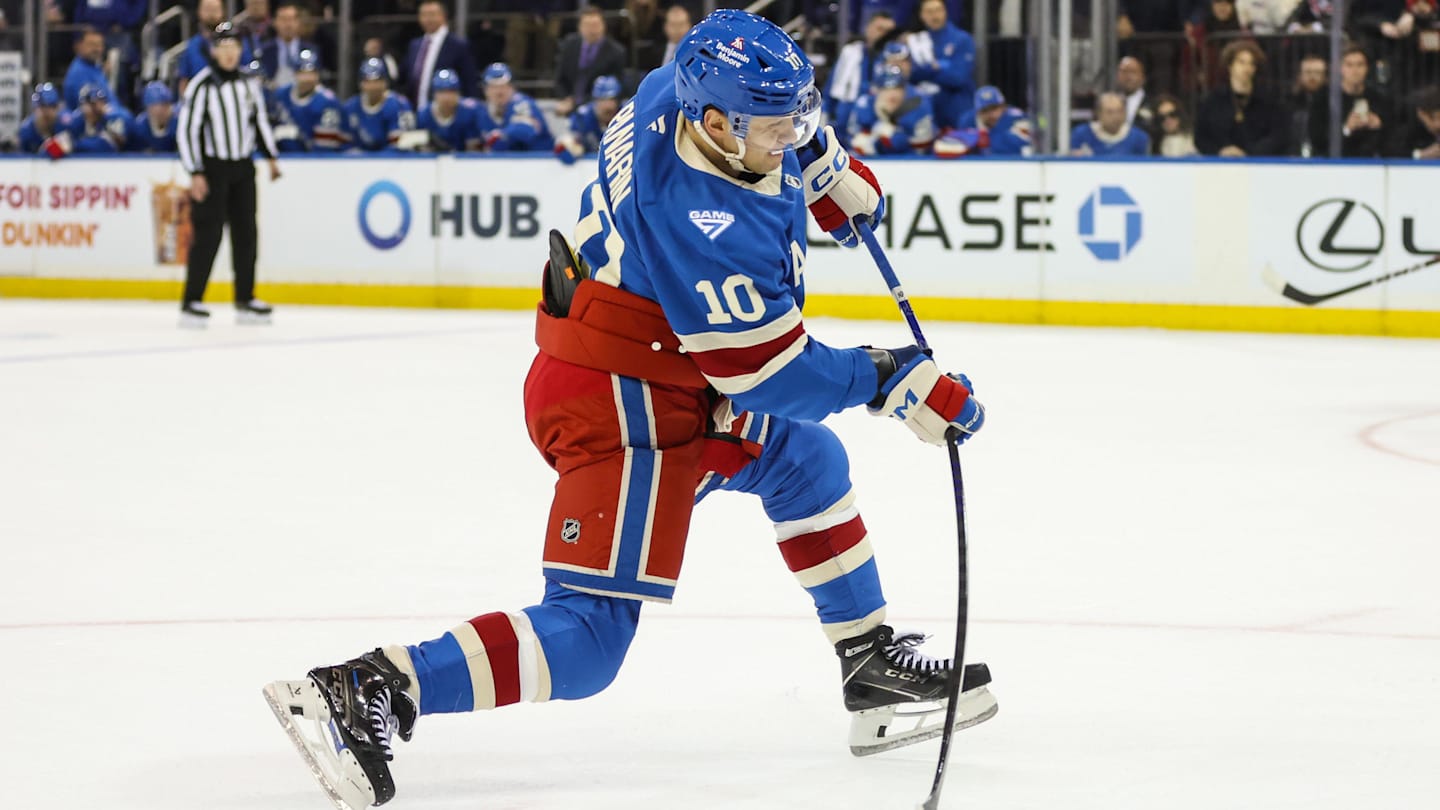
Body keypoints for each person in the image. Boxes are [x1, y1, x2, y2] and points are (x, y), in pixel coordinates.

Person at [264, 11, 995, 810]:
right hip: (620, 406)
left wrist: (824, 162)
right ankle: (373, 684)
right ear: (715, 124)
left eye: (795, 119)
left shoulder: (666, 90)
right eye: (774, 127)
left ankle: (868, 665)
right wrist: (892, 381)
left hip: (646, 367)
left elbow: (773, 157)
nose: (786, 138)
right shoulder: (702, 223)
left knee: (806, 461)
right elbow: (767, 372)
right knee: (588, 641)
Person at [176, 22, 282, 327]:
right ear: (214, 51)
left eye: (234, 47)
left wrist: (271, 157)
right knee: (207, 236)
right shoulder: (202, 85)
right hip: (213, 168)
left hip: (242, 167)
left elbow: (258, 121)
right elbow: (188, 131)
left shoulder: (248, 84)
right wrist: (195, 171)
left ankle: (245, 298)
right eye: (223, 47)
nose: (229, 53)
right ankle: (191, 300)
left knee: (247, 233)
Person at [1194, 39, 1285, 156]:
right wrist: (1220, 151)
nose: (1247, 68)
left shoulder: (1268, 101)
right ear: (1230, 66)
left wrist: (1249, 153)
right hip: (1219, 165)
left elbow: (1278, 135)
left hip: (1258, 165)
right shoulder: (1213, 100)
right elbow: (1200, 136)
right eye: (1241, 62)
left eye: (1251, 63)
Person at [824, 10, 897, 145]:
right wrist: (826, 110)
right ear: (868, 28)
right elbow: (832, 84)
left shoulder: (897, 57)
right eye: (880, 29)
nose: (884, 35)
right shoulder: (850, 52)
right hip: (845, 114)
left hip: (877, 117)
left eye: (889, 31)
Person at [904, 0, 975, 130]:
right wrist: (936, 67)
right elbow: (911, 76)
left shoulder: (962, 39)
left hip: (956, 111)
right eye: (929, 12)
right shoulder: (916, 42)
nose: (934, 15)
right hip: (926, 113)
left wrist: (926, 71)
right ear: (922, 15)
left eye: (938, 10)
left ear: (945, 12)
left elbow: (958, 78)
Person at [401, 0, 478, 108]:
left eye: (432, 14)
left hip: (447, 113)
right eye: (424, 15)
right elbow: (406, 77)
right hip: (416, 111)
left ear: (443, 16)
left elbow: (469, 82)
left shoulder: (458, 46)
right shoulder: (414, 45)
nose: (428, 19)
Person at [554, 6, 627, 116]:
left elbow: (615, 88)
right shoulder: (569, 45)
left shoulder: (616, 52)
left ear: (604, 26)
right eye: (588, 25)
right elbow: (559, 79)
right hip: (567, 103)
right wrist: (566, 98)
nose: (592, 30)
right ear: (580, 27)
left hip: (597, 108)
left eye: (596, 25)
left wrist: (576, 104)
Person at [847, 64, 936, 155]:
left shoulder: (918, 105)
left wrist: (896, 137)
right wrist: (873, 142)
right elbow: (853, 141)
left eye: (897, 88)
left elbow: (922, 149)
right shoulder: (865, 105)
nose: (892, 93)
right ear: (877, 90)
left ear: (905, 89)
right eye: (886, 88)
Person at [273, 50, 343, 151]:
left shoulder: (327, 101)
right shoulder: (281, 95)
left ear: (317, 75)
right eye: (302, 73)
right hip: (282, 157)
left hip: (313, 160)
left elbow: (326, 146)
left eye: (311, 73)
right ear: (295, 74)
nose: (307, 78)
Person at [343, 57, 417, 152]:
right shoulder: (351, 106)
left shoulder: (400, 105)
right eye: (367, 81)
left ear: (385, 82)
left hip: (393, 164)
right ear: (360, 84)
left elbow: (401, 146)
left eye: (377, 81)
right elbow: (344, 144)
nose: (372, 86)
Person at [478, 62, 553, 152]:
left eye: (503, 86)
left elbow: (526, 131)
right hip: (507, 163)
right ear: (485, 90)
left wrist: (502, 135)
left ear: (512, 87)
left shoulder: (522, 103)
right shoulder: (482, 111)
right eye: (494, 87)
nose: (499, 92)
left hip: (540, 160)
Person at [179, 0, 251, 93]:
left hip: (234, 94)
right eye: (207, 9)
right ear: (199, 11)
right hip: (201, 96)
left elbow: (247, 71)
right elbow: (184, 80)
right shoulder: (192, 46)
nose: (211, 14)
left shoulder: (235, 41)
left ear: (223, 11)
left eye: (214, 9)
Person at [1334, 45, 1391, 157]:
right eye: (1349, 65)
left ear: (1367, 68)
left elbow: (1393, 138)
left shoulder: (1380, 98)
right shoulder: (1327, 98)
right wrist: (1347, 129)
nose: (1355, 71)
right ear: (1341, 68)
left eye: (1360, 65)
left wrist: (1379, 125)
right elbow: (1319, 140)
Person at [944, 84, 1031, 157]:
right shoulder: (968, 120)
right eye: (985, 110)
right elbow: (959, 147)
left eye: (994, 108)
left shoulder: (1017, 117)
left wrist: (987, 138)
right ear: (978, 112)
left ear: (1003, 107)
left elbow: (1023, 144)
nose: (992, 114)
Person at [555, 74, 622, 163]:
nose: (608, 106)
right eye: (603, 99)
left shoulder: (628, 116)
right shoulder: (582, 118)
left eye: (612, 100)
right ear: (595, 100)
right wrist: (568, 147)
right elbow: (565, 145)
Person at [417, 68, 483, 152]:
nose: (446, 97)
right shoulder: (424, 115)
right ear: (434, 94)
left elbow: (473, 150)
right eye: (442, 92)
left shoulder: (469, 112)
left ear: (458, 93)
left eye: (451, 91)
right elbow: (421, 150)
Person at [259, 1, 318, 87]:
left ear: (298, 22)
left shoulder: (311, 50)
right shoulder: (265, 51)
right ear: (275, 22)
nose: (288, 24)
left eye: (291, 19)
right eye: (283, 19)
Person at [1070, 91, 1151, 156]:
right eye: (1110, 112)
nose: (1116, 116)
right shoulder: (1081, 134)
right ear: (1099, 114)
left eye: (1120, 111)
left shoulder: (1139, 138)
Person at [65, 84, 132, 153]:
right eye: (91, 104)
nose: (95, 108)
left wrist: (75, 145)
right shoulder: (76, 120)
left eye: (100, 103)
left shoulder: (111, 118)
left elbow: (109, 147)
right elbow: (56, 149)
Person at [62, 27, 114, 112]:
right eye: (91, 45)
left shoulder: (94, 67)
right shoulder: (78, 73)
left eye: (99, 45)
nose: (96, 49)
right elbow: (93, 109)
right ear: (79, 46)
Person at [1290, 54, 1328, 156]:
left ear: (1325, 76)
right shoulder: (1288, 103)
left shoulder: (1332, 104)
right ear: (1300, 75)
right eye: (1308, 72)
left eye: (1317, 72)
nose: (1312, 77)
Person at [1387, 86, 1440, 158]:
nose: (1438, 124)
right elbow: (1389, 152)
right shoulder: (1409, 131)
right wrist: (1419, 154)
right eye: (1434, 117)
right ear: (1422, 114)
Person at [19, 82, 69, 155]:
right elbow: (22, 161)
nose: (47, 112)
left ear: (58, 108)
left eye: (52, 106)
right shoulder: (26, 130)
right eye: (42, 107)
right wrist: (47, 149)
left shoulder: (64, 125)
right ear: (34, 109)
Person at [127, 81, 177, 153]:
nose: (160, 113)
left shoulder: (179, 122)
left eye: (165, 106)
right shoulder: (140, 127)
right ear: (148, 109)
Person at [1115, 56, 1156, 137]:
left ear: (1143, 77)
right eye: (1123, 71)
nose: (1128, 77)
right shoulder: (1108, 103)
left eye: (1133, 72)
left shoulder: (1154, 104)